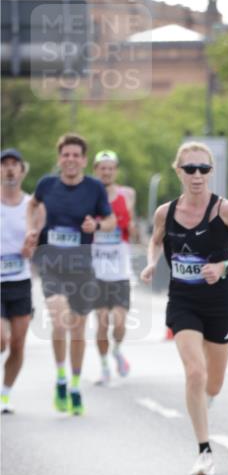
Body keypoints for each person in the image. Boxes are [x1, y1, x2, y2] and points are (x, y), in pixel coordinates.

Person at [140, 142, 228, 475]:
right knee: (195, 372)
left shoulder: (225, 210)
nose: (196, 175)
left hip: (220, 302)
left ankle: (208, 398)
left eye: (203, 169)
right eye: (189, 168)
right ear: (178, 171)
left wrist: (225, 267)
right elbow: (155, 240)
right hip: (183, 302)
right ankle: (204, 450)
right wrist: (150, 265)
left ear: (211, 172)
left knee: (213, 384)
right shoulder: (166, 212)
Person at [24, 134, 115, 416]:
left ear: (84, 160)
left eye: (76, 155)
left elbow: (110, 221)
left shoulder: (95, 188)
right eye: (66, 155)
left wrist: (96, 226)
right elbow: (31, 205)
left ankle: (74, 385)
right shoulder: (47, 184)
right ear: (59, 158)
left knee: (77, 330)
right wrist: (31, 228)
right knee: (59, 322)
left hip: (82, 267)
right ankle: (61, 378)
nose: (71, 160)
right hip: (52, 264)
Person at [92, 150, 136, 385]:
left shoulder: (127, 194)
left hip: (120, 271)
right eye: (102, 167)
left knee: (119, 323)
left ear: (115, 170)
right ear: (95, 170)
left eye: (110, 167)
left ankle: (117, 351)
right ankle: (104, 367)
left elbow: (132, 226)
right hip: (96, 273)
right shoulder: (88, 196)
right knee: (101, 323)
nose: (106, 171)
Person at [0, 149, 35, 414]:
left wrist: (32, 247)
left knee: (18, 343)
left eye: (15, 165)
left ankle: (5, 394)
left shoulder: (32, 205)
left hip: (21, 281)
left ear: (23, 171)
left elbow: (41, 238)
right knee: (1, 339)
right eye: (5, 165)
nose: (10, 169)